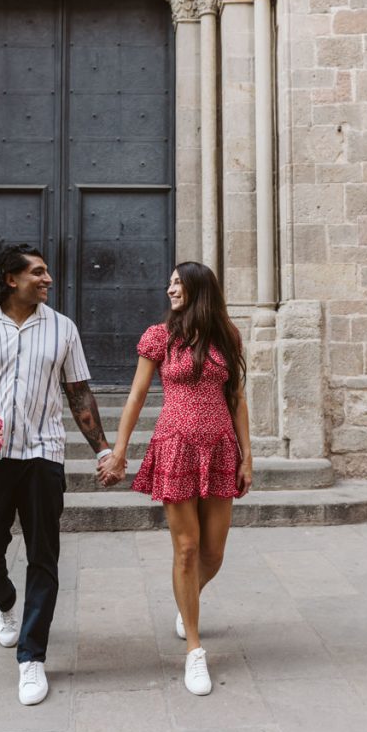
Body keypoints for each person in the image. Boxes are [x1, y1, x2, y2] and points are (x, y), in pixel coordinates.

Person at [0, 244, 123, 706]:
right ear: (11, 278)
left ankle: (32, 658)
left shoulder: (62, 328)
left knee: (44, 554)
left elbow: (79, 393)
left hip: (44, 453)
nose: (47, 280)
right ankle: (4, 601)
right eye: (38, 273)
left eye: (46, 273)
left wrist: (102, 447)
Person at [98, 262, 252, 696]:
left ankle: (187, 603)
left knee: (214, 553)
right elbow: (137, 394)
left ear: (199, 289)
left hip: (220, 446)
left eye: (178, 283)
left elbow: (236, 396)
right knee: (186, 548)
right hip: (175, 446)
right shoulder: (159, 336)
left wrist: (247, 456)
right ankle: (195, 652)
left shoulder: (228, 335)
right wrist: (119, 450)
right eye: (168, 282)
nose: (169, 289)